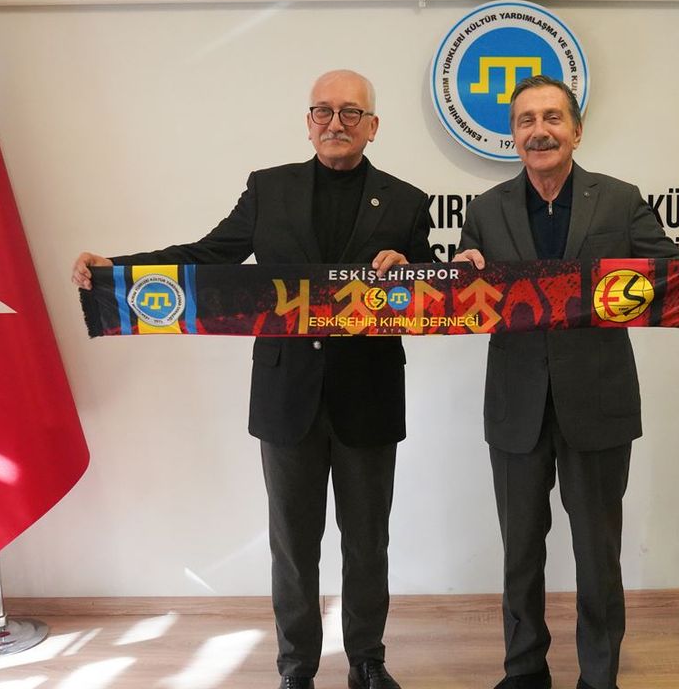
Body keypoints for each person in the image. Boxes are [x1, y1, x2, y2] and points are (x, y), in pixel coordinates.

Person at [71, 69, 431, 689]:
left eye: (351, 112)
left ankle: (368, 662)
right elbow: (209, 256)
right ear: (308, 122)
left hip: (369, 394)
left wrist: (411, 267)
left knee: (368, 542)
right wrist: (120, 269)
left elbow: (432, 289)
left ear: (373, 126)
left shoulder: (406, 200)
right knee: (293, 546)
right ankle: (296, 669)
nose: (336, 122)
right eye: (323, 111)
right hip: (286, 395)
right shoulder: (269, 189)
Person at [453, 75, 679, 689]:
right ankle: (524, 672)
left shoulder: (620, 200)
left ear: (576, 131)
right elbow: (465, 290)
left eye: (552, 118)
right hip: (516, 407)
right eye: (526, 120)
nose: (539, 131)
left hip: (599, 404)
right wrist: (460, 268)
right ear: (513, 136)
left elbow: (669, 269)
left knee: (598, 553)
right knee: (520, 552)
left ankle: (598, 677)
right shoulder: (486, 210)